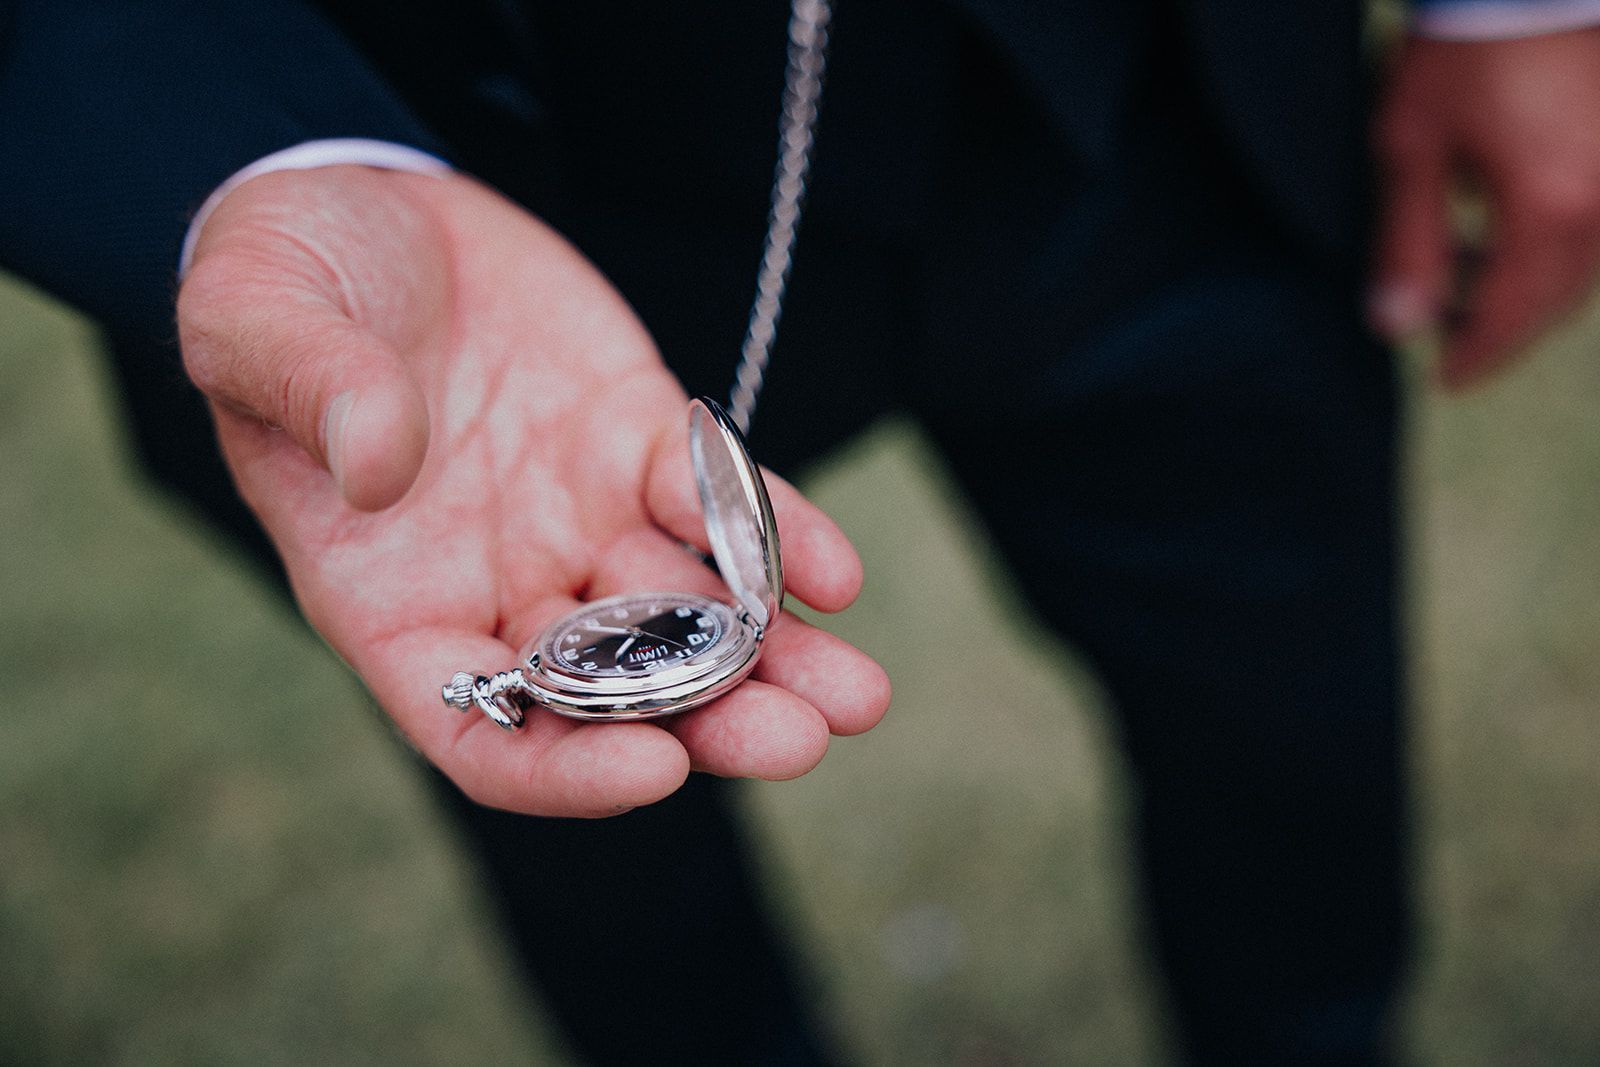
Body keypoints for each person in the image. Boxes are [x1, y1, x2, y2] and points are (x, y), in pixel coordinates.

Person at [4, 0, 1600, 1062]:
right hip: (457, 220)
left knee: (1294, 761)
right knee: (608, 872)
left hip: (1162, 102)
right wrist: (240, 154)